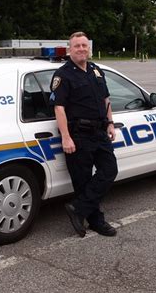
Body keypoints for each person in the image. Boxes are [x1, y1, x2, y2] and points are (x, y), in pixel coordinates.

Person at [50, 31, 118, 237]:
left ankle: (78, 209)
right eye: (77, 46)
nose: (81, 49)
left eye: (84, 45)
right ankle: (96, 221)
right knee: (83, 181)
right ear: (70, 49)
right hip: (78, 135)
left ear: (89, 48)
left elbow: (106, 99)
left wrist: (111, 123)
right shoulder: (63, 75)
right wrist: (66, 136)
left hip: (99, 132)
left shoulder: (96, 71)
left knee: (109, 170)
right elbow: (59, 108)